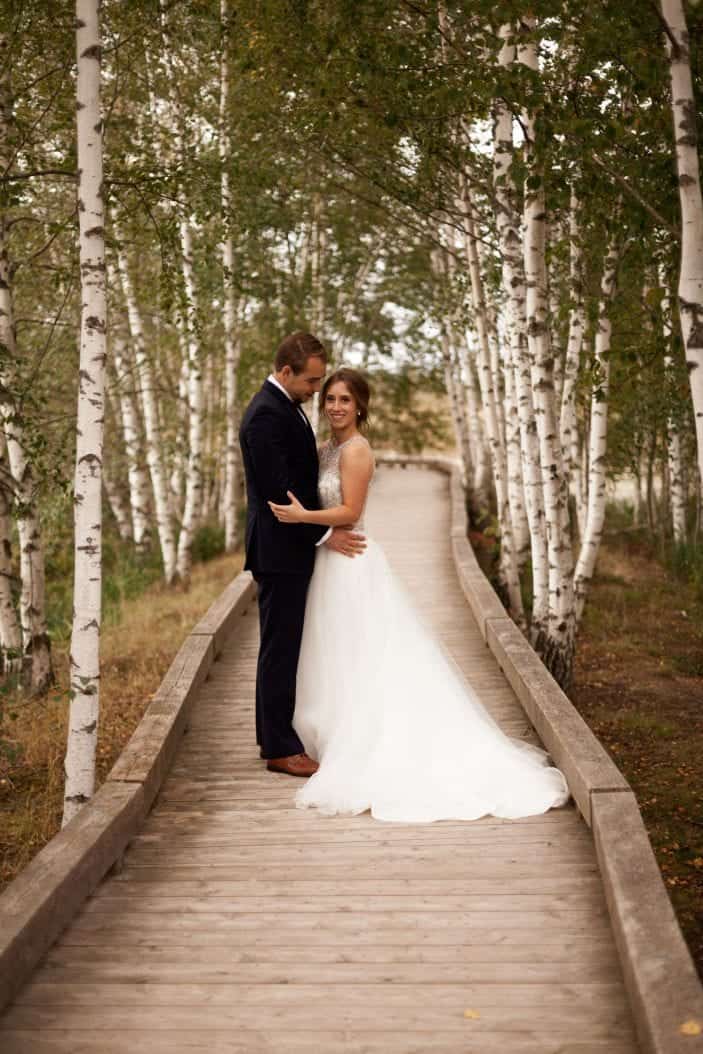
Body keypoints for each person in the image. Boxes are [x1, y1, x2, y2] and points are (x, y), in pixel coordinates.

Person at [268, 367, 571, 822]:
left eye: (345, 400)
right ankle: (330, 731)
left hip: (353, 562)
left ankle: (367, 738)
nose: (335, 406)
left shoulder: (357, 451)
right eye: (329, 398)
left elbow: (351, 511)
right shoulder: (325, 448)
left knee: (365, 653)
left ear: (361, 406)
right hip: (328, 561)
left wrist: (303, 518)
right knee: (334, 651)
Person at [238, 333, 366, 778]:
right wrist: (323, 534)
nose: (316, 390)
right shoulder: (264, 416)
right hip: (280, 550)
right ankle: (280, 748)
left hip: (287, 548)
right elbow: (279, 493)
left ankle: (272, 736)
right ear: (286, 372)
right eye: (312, 382)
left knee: (281, 646)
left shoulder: (284, 407)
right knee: (280, 650)